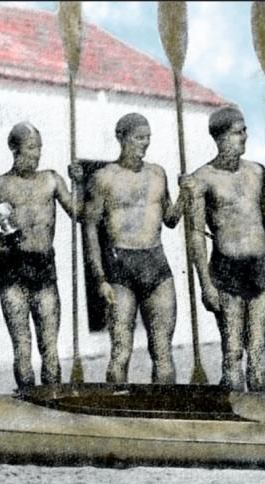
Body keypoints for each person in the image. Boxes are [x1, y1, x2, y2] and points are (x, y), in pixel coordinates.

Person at [180, 106, 265, 392]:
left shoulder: (257, 171)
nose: (244, 137)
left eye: (245, 131)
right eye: (238, 133)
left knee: (258, 347)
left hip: (260, 267)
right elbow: (195, 235)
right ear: (220, 138)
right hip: (227, 269)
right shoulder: (202, 178)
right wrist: (205, 284)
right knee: (233, 351)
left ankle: (259, 416)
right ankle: (235, 413)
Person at [0, 122, 80, 389]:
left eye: (39, 148)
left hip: (44, 265)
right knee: (22, 347)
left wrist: (79, 183)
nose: (36, 154)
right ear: (14, 149)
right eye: (30, 148)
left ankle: (54, 405)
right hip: (12, 268)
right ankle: (27, 407)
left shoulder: (52, 180)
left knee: (50, 347)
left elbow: (79, 213)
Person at [83, 113, 180, 384]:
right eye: (138, 138)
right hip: (120, 266)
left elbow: (170, 219)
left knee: (162, 352)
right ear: (121, 138)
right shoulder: (104, 178)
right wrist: (100, 278)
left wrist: (185, 195)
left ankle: (164, 416)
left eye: (148, 138)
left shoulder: (157, 173)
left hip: (156, 262)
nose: (144, 144)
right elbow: (89, 228)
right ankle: (118, 419)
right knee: (121, 352)